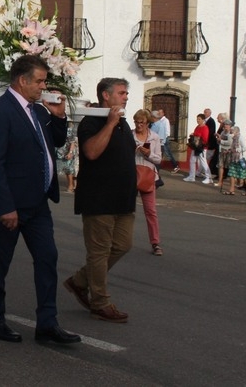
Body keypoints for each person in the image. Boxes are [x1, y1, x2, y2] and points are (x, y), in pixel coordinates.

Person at [0, 55, 81, 345]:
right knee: (0, 262)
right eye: (39, 81)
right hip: (11, 204)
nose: (43, 86)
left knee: (48, 259)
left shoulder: (38, 111)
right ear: (22, 80)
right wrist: (6, 206)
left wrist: (59, 115)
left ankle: (47, 324)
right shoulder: (1, 111)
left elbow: (57, 143)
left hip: (38, 203)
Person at [64, 77, 136, 324]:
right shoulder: (92, 121)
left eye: (126, 93)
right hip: (99, 198)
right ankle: (100, 303)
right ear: (106, 95)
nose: (126, 96)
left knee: (123, 245)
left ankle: (80, 281)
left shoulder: (123, 122)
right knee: (99, 252)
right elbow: (92, 152)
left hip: (123, 199)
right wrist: (110, 123)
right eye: (121, 92)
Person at [132, 109, 162, 256]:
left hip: (148, 176)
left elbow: (158, 159)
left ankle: (155, 243)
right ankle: (122, 240)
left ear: (147, 123)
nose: (139, 125)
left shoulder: (154, 137)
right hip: (131, 176)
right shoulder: (130, 136)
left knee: (151, 211)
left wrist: (148, 153)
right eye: (136, 122)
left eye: (142, 122)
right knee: (127, 210)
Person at [183, 114, 213, 184]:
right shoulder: (197, 127)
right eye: (197, 119)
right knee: (192, 160)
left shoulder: (205, 128)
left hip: (201, 147)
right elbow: (196, 134)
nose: (198, 120)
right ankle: (191, 176)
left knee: (203, 162)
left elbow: (205, 139)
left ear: (203, 120)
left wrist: (197, 136)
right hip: (195, 146)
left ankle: (209, 177)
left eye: (199, 119)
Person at [225, 125, 246, 196]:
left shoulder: (241, 138)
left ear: (236, 131)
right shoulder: (233, 138)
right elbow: (232, 147)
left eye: (232, 131)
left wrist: (237, 150)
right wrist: (229, 150)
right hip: (234, 158)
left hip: (241, 159)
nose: (231, 133)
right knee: (232, 174)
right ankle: (231, 189)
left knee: (244, 175)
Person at [56, 120, 79, 193]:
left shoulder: (69, 130)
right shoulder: (56, 128)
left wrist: (70, 152)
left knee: (68, 169)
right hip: (58, 152)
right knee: (56, 169)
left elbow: (72, 142)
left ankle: (71, 185)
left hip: (66, 151)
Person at [215, 118, 234, 188]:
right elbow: (220, 140)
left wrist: (221, 141)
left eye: (227, 125)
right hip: (222, 151)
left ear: (230, 126)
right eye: (225, 124)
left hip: (229, 151)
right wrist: (218, 139)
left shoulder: (231, 133)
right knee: (220, 166)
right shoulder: (223, 132)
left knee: (230, 167)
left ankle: (235, 183)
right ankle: (220, 182)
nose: (225, 126)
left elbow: (230, 143)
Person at [204, 108, 219, 175]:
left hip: (210, 143)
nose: (205, 113)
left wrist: (206, 140)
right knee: (203, 158)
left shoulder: (211, 121)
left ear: (210, 113)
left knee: (205, 158)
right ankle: (200, 171)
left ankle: (206, 172)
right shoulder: (205, 121)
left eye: (206, 112)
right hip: (206, 143)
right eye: (204, 112)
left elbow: (210, 132)